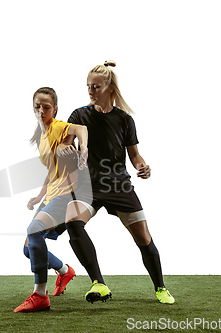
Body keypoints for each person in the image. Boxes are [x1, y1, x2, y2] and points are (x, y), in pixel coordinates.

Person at [61, 61, 175, 304]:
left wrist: (143, 166)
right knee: (73, 220)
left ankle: (160, 288)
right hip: (88, 186)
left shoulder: (124, 120)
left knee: (144, 239)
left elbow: (134, 156)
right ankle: (98, 283)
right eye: (88, 86)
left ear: (110, 88)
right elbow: (64, 143)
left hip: (118, 186)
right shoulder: (79, 115)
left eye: (96, 86)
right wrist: (66, 149)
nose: (90, 91)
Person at [14, 87, 89, 313]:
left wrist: (83, 148)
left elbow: (81, 128)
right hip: (51, 195)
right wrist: (39, 196)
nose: (41, 110)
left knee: (34, 231)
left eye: (46, 107)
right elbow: (52, 171)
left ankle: (40, 295)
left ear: (54, 109)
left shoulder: (57, 127)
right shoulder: (42, 136)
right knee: (29, 248)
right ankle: (65, 271)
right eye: (37, 106)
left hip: (67, 195)